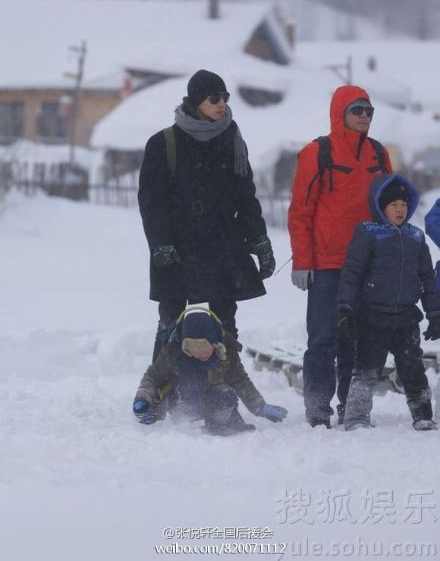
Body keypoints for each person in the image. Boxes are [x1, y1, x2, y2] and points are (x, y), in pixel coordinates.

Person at [138, 70, 275, 360]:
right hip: (178, 245)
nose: (222, 103)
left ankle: (224, 398)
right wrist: (160, 243)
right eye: (214, 98)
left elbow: (246, 197)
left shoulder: (232, 139)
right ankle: (158, 397)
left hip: (222, 244)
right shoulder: (163, 143)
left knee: (225, 327)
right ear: (196, 101)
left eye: (225, 97)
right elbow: (152, 203)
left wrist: (260, 241)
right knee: (171, 326)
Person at [288, 85, 392, 428]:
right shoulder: (317, 152)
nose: (364, 116)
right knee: (322, 339)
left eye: (368, 111)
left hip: (368, 263)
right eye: (357, 110)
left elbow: (391, 207)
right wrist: (303, 261)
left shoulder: (378, 153)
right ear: (340, 112)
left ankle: (353, 407)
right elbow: (301, 211)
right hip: (328, 265)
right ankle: (318, 408)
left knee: (358, 341)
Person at [337, 174, 440, 431]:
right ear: (381, 206)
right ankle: (357, 417)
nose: (400, 210)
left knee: (413, 368)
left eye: (404, 205)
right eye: (394, 205)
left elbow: (427, 277)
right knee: (367, 369)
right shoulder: (368, 232)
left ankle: (423, 415)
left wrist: (435, 313)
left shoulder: (416, 237)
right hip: (373, 316)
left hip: (406, 317)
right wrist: (345, 309)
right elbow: (352, 272)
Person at [132, 309, 288, 436]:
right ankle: (189, 419)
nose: (200, 354)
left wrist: (259, 406)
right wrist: (143, 400)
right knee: (186, 384)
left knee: (226, 394)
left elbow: (240, 380)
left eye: (204, 347)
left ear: (215, 343)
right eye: (192, 348)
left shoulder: (227, 353)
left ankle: (216, 424)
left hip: (214, 396)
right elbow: (152, 378)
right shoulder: (173, 352)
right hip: (181, 397)